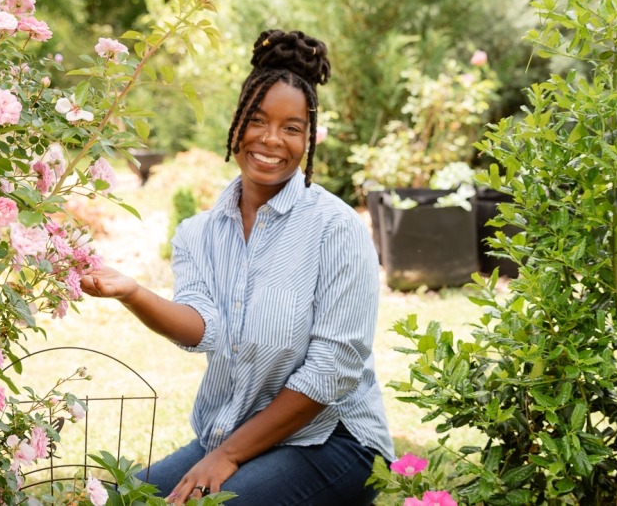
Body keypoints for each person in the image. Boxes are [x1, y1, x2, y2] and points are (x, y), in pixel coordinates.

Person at [80, 29, 394, 506]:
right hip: (239, 436)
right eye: (258, 120)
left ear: (308, 139)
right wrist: (134, 292)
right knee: (121, 499)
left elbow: (331, 373)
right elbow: (201, 328)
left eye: (292, 127)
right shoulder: (199, 233)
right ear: (237, 121)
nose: (272, 139)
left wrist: (226, 456)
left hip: (335, 441)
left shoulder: (336, 229)